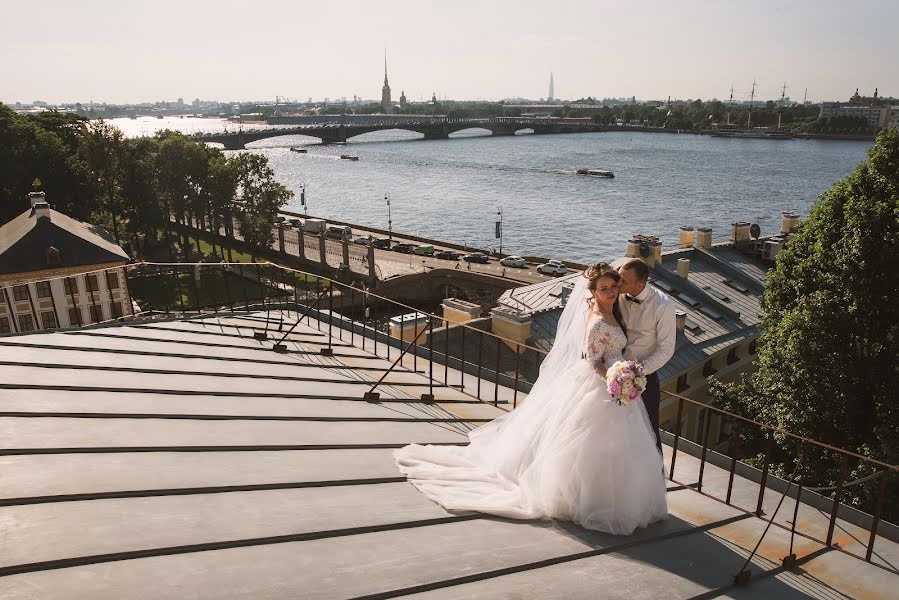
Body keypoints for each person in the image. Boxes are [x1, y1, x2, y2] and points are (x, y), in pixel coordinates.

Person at [395, 262, 667, 535]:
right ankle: (587, 498)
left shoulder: (616, 306)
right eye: (604, 288)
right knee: (588, 446)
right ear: (593, 292)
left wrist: (623, 376)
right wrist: (612, 379)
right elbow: (593, 361)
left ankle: (616, 496)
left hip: (617, 384)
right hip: (602, 385)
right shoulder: (597, 321)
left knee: (619, 447)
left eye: (613, 286)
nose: (611, 291)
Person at [617, 258, 676, 453]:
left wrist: (638, 372)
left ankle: (655, 475)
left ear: (640, 284)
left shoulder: (663, 305)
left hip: (645, 376)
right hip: (613, 371)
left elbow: (667, 349)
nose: (619, 283)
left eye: (623, 280)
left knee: (648, 430)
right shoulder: (617, 296)